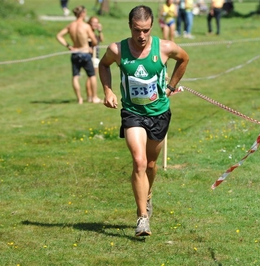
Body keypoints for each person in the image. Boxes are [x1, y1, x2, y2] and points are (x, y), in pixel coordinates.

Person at [98, 5, 189, 236]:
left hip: (159, 113)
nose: (141, 36)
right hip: (132, 113)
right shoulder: (117, 49)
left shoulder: (165, 47)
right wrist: (108, 91)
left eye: (146, 30)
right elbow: (103, 65)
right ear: (130, 26)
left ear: (152, 27)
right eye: (137, 30)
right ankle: (142, 218)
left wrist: (170, 87)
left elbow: (184, 59)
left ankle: (148, 195)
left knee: (150, 164)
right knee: (138, 161)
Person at [56, 6, 102, 104]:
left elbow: (59, 36)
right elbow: (94, 40)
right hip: (85, 52)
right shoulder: (86, 26)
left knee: (75, 76)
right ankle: (94, 97)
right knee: (92, 76)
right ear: (82, 14)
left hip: (75, 52)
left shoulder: (71, 25)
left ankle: (79, 99)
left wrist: (68, 46)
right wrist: (91, 46)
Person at [88, 16, 105, 94]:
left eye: (97, 22)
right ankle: (91, 96)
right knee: (91, 76)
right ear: (89, 23)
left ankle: (91, 96)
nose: (95, 24)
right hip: (92, 57)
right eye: (93, 22)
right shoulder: (89, 32)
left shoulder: (94, 33)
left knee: (92, 76)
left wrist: (100, 31)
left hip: (96, 56)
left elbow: (101, 39)